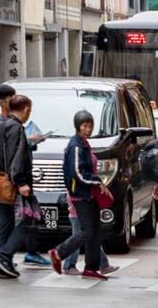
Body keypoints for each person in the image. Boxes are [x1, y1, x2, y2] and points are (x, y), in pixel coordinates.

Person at [50, 110, 112, 280]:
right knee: (87, 231)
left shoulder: (84, 143)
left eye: (90, 126)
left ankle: (91, 268)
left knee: (95, 232)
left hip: (90, 194)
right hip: (80, 195)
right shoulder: (75, 146)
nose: (88, 129)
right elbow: (78, 173)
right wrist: (97, 181)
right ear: (78, 126)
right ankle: (58, 253)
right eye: (84, 126)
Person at [0, 88, 34, 279]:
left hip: (2, 181)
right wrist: (21, 182)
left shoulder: (3, 125)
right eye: (29, 111)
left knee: (4, 221)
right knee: (29, 219)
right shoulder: (16, 128)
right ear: (25, 109)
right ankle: (4, 256)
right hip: (14, 183)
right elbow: (16, 157)